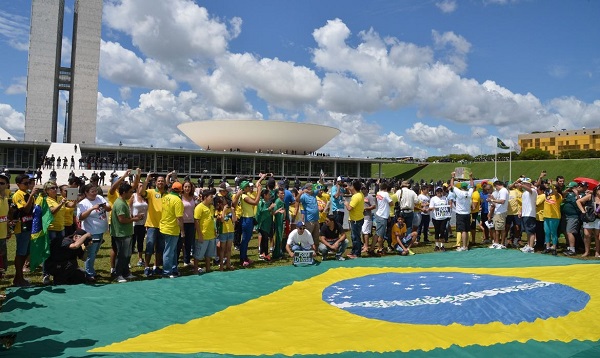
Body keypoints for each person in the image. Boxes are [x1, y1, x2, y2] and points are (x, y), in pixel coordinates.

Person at [41, 181, 76, 285]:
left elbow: (71, 205)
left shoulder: (60, 198)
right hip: (51, 229)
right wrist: (61, 204)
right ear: (47, 190)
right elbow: (52, 211)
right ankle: (45, 274)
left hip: (61, 228)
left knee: (60, 251)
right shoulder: (46, 200)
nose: (55, 189)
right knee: (49, 252)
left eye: (55, 187)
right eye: (52, 188)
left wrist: (73, 197)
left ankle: (58, 272)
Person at [141, 171, 174, 276]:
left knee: (160, 248)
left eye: (162, 181)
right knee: (150, 246)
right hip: (152, 225)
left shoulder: (167, 194)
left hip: (163, 226)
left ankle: (156, 266)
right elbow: (141, 192)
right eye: (159, 181)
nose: (160, 182)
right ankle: (147, 266)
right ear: (155, 182)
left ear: (165, 183)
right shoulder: (151, 192)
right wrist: (147, 179)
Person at [77, 183, 111, 281]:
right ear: (86, 193)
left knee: (95, 252)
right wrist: (92, 208)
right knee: (91, 253)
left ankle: (91, 271)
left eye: (95, 191)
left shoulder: (100, 197)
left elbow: (109, 208)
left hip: (100, 230)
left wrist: (104, 206)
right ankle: (89, 273)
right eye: (92, 191)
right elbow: (80, 217)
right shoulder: (83, 203)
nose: (95, 193)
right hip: (91, 231)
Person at [110, 182, 143, 282]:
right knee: (122, 255)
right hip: (121, 234)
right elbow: (121, 219)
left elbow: (125, 217)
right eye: (130, 192)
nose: (131, 194)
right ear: (124, 192)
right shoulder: (120, 203)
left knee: (127, 254)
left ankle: (126, 272)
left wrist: (134, 218)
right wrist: (134, 220)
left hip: (127, 232)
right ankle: (118, 274)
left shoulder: (123, 201)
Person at [12, 174, 39, 286]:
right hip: (22, 227)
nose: (28, 185)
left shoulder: (27, 194)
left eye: (29, 182)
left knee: (25, 253)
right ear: (18, 184)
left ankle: (19, 278)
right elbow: (26, 210)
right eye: (25, 183)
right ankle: (18, 278)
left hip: (28, 226)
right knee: (20, 253)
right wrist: (32, 195)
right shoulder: (18, 195)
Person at [160, 181, 184, 278]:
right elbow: (179, 218)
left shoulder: (165, 197)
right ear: (180, 191)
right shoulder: (178, 201)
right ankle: (166, 272)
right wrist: (182, 231)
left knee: (171, 250)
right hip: (172, 228)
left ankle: (173, 269)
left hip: (164, 226)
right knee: (169, 251)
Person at [449, 172, 474, 252]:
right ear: (466, 187)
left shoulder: (459, 192)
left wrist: (452, 177)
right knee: (466, 230)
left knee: (463, 230)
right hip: (467, 213)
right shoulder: (469, 193)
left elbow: (452, 185)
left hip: (460, 213)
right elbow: (472, 186)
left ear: (461, 187)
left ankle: (464, 246)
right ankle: (466, 245)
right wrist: (470, 177)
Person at [194, 189, 217, 274]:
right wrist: (199, 234)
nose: (212, 198)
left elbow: (212, 219)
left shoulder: (211, 207)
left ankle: (208, 269)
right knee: (198, 255)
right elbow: (196, 221)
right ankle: (195, 270)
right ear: (205, 197)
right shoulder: (199, 207)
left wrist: (214, 230)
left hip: (211, 235)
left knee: (209, 255)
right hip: (203, 235)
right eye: (211, 197)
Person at [576, 184, 600, 258]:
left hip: (598, 219)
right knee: (587, 235)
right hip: (589, 218)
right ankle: (587, 251)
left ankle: (597, 252)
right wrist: (583, 211)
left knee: (597, 236)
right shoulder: (590, 196)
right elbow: (578, 201)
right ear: (597, 191)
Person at [516, 178, 538, 253]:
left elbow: (530, 189)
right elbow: (524, 203)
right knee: (527, 231)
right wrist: (521, 212)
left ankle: (531, 247)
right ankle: (528, 245)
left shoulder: (533, 191)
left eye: (525, 183)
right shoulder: (524, 193)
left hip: (530, 214)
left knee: (531, 231)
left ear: (529, 184)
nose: (523, 184)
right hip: (525, 214)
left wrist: (522, 185)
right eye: (523, 183)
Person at [561, 182, 582, 256]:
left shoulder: (579, 195)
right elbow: (562, 196)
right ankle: (569, 246)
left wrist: (576, 194)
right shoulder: (568, 194)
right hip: (566, 216)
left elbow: (577, 203)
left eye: (571, 188)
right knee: (566, 231)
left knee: (570, 232)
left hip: (573, 216)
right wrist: (566, 191)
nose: (569, 189)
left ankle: (572, 249)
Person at [345, 180, 364, 259]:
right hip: (358, 218)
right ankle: (354, 251)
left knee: (355, 237)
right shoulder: (360, 194)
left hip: (356, 219)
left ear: (354, 187)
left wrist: (346, 203)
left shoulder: (355, 197)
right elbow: (353, 193)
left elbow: (349, 208)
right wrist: (348, 188)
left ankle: (356, 253)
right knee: (354, 236)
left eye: (351, 186)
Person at [487, 180, 509, 249]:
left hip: (501, 212)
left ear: (497, 185)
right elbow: (497, 204)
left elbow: (502, 201)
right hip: (498, 211)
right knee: (497, 229)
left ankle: (502, 244)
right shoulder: (501, 191)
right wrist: (492, 199)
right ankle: (496, 243)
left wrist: (493, 200)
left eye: (495, 187)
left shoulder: (503, 191)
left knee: (501, 229)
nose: (496, 189)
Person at [179, 181, 197, 266]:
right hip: (181, 223)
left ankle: (186, 261)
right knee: (179, 243)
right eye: (185, 187)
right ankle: (176, 261)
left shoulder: (193, 197)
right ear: (182, 188)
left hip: (191, 223)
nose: (187, 188)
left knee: (188, 243)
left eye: (189, 187)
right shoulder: (179, 197)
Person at [130, 183, 148, 267]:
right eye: (140, 186)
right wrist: (133, 217)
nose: (142, 187)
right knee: (132, 242)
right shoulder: (133, 196)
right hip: (134, 223)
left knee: (140, 241)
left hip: (143, 223)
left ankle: (140, 258)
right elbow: (129, 208)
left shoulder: (145, 197)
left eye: (143, 185)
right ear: (137, 188)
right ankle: (128, 260)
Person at [542, 184, 562, 255]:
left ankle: (554, 247)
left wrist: (552, 186)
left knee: (553, 232)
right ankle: (547, 247)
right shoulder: (548, 196)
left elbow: (556, 193)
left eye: (554, 189)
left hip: (554, 217)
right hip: (546, 216)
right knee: (547, 232)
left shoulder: (558, 196)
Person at [256, 188, 276, 261]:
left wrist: (275, 210)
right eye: (268, 194)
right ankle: (264, 254)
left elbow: (270, 213)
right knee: (264, 239)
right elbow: (261, 212)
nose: (270, 196)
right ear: (264, 195)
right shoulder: (261, 202)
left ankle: (264, 253)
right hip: (262, 223)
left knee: (265, 239)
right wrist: (269, 208)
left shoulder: (268, 202)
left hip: (268, 223)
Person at [373, 182, 392, 254]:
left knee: (377, 232)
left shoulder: (378, 193)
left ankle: (372, 248)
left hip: (379, 214)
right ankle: (380, 248)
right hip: (383, 216)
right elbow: (391, 203)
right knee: (381, 234)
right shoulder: (386, 194)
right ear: (386, 188)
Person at [429, 186, 450, 252]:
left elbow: (447, 207)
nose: (439, 192)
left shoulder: (445, 198)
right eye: (438, 191)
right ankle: (437, 245)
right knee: (437, 231)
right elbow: (430, 207)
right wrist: (434, 208)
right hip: (436, 218)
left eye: (440, 191)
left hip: (443, 217)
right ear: (436, 192)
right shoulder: (433, 199)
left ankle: (442, 245)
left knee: (442, 231)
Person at [361, 185, 376, 255]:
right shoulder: (361, 196)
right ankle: (364, 245)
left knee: (366, 232)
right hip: (361, 216)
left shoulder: (370, 196)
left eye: (364, 189)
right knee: (362, 232)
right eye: (362, 189)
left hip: (367, 216)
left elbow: (374, 206)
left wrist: (366, 208)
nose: (363, 190)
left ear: (367, 190)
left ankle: (366, 246)